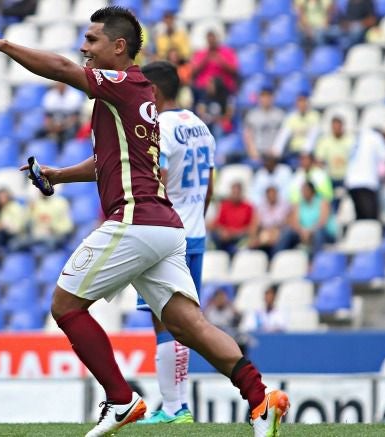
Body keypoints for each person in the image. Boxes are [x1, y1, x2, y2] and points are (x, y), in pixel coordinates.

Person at [0, 7, 288, 436]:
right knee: (190, 326)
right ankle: (261, 397)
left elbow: (62, 69)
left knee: (65, 305)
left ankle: (120, 399)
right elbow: (108, 161)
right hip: (167, 227)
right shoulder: (139, 93)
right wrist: (59, 174)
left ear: (118, 47)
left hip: (135, 219)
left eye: (92, 40)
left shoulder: (121, 83)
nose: (83, 47)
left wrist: (1, 44)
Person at [135, 61, 215, 425]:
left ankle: (173, 406)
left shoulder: (160, 127)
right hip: (195, 232)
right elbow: (208, 185)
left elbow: (159, 176)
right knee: (181, 322)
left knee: (164, 321)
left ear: (153, 90)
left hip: (168, 236)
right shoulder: (200, 126)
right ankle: (175, 403)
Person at [275, 181, 336, 254]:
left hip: (323, 233)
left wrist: (310, 231)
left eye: (306, 190)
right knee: (287, 232)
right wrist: (302, 231)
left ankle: (315, 261)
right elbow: (295, 222)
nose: (304, 193)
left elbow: (322, 222)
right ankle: (277, 256)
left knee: (318, 233)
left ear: (312, 191)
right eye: (302, 191)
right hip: (303, 233)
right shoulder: (299, 204)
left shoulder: (322, 202)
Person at [344, 128, 385, 220]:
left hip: (351, 182)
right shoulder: (377, 138)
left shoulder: (359, 137)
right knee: (371, 219)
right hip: (367, 182)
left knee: (360, 217)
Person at [208, 182, 256, 255]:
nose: (235, 195)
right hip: (225, 238)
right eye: (234, 192)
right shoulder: (225, 206)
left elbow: (251, 227)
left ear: (241, 193)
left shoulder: (248, 207)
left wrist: (235, 233)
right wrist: (222, 231)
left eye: (237, 192)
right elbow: (217, 224)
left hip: (240, 237)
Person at [273, 94, 320, 165]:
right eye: (300, 102)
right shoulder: (291, 117)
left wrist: (306, 152)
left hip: (309, 152)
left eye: (304, 102)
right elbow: (283, 135)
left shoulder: (314, 116)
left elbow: (313, 137)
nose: (302, 105)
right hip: (294, 152)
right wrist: (276, 150)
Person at [190, 31, 239, 99]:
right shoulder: (201, 53)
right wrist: (205, 60)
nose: (211, 41)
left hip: (224, 87)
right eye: (209, 39)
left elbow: (234, 70)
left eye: (213, 39)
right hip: (204, 88)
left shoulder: (227, 52)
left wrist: (221, 61)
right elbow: (193, 71)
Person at [243, 88, 286, 162]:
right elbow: (247, 134)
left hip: (275, 154)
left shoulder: (280, 115)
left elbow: (284, 134)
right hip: (258, 152)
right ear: (259, 98)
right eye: (263, 96)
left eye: (268, 96)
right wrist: (252, 151)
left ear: (272, 97)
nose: (266, 99)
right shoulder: (252, 115)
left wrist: (277, 149)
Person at [315, 116, 353, 189]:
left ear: (342, 127)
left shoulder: (350, 140)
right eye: (334, 127)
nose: (336, 129)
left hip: (347, 177)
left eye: (338, 127)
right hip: (330, 177)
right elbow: (319, 159)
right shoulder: (325, 141)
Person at [251, 186, 291, 256]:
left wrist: (274, 232)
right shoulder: (261, 207)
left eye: (273, 194)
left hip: (279, 231)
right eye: (270, 194)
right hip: (264, 232)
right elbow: (256, 224)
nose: (272, 196)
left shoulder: (284, 206)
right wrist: (254, 237)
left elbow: (288, 222)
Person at [42, 82, 85, 147]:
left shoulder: (74, 95)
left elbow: (75, 117)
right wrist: (51, 127)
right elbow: (47, 116)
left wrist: (62, 126)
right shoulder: (50, 95)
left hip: (69, 124)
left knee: (69, 133)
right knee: (39, 133)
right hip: (54, 123)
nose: (60, 86)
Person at [0, 188, 27, 253]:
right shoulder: (2, 210)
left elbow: (17, 227)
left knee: (0, 235)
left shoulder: (15, 207)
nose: (2, 200)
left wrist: (3, 225)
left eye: (4, 197)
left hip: (15, 236)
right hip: (5, 236)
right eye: (0, 198)